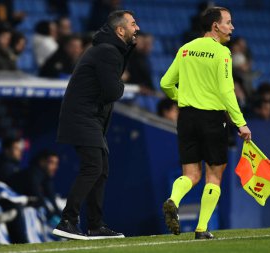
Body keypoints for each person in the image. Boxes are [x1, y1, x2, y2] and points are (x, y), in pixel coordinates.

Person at [160, 7, 251, 240]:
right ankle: (201, 229)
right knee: (214, 176)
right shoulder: (222, 53)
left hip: (186, 118)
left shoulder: (185, 49)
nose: (232, 28)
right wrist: (240, 123)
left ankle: (174, 199)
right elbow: (226, 91)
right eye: (228, 23)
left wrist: (181, 98)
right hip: (212, 119)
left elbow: (165, 83)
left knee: (190, 174)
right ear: (215, 26)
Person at [54, 10, 139, 240]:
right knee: (93, 167)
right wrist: (122, 83)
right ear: (120, 30)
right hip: (83, 117)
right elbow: (113, 91)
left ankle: (95, 225)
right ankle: (67, 221)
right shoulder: (107, 52)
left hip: (87, 117)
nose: (137, 28)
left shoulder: (107, 49)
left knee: (101, 169)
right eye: (133, 24)